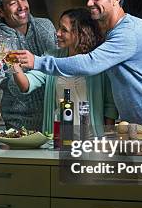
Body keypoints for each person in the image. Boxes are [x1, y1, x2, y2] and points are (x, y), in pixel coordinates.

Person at [14, 0, 142, 140]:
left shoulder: (128, 31)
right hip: (135, 126)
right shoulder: (112, 33)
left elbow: (89, 64)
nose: (89, 3)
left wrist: (36, 61)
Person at [11, 8, 117, 136]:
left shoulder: (96, 61)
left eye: (64, 30)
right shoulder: (51, 58)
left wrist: (109, 137)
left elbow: (110, 106)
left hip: (91, 138)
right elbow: (25, 84)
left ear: (79, 33)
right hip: (59, 137)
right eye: (59, 28)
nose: (57, 33)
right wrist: (13, 64)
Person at [0, 0, 57, 130]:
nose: (21, 6)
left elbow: (57, 66)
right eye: (13, 3)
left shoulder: (46, 27)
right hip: (18, 125)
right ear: (0, 10)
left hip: (54, 119)